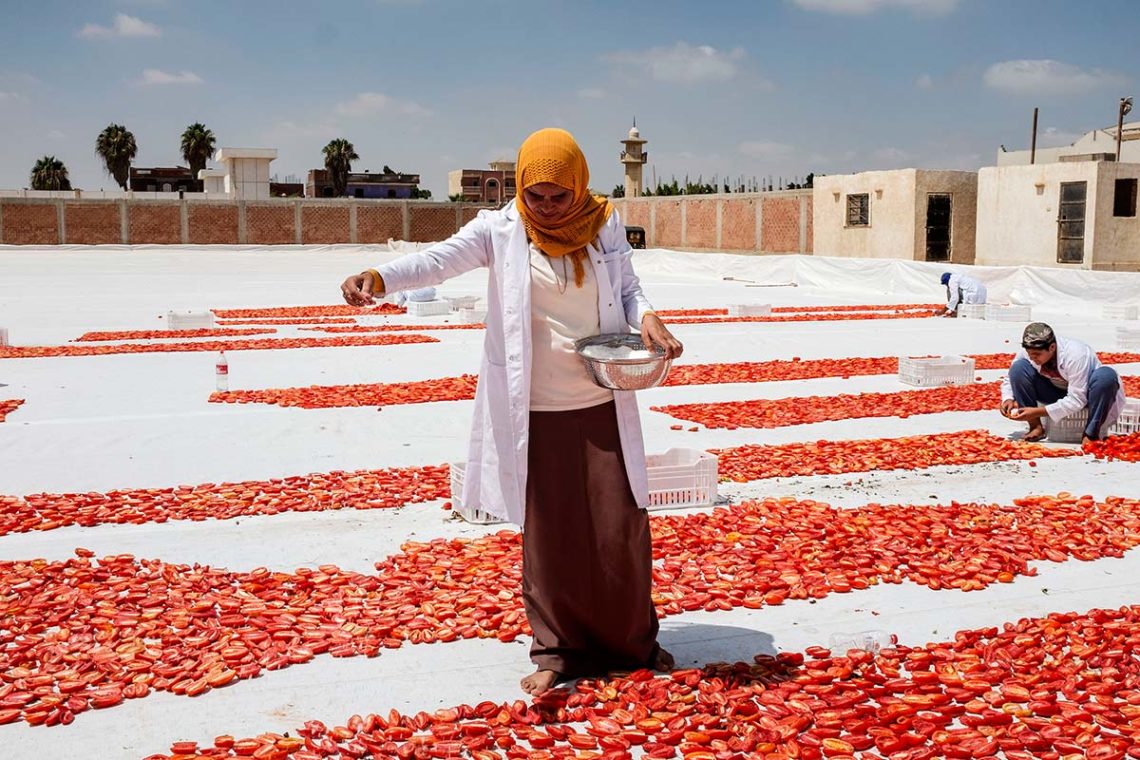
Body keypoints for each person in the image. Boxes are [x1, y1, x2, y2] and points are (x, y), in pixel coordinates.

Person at [340, 128, 683, 696]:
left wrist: (646, 316)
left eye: (559, 197)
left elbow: (628, 288)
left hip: (599, 396)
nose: (547, 208)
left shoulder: (605, 225)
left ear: (579, 186)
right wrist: (381, 277)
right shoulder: (499, 230)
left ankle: (632, 643)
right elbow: (438, 261)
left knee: (619, 525)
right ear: (520, 191)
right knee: (550, 534)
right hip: (535, 406)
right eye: (535, 197)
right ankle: (557, 649)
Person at [999, 322, 1124, 444]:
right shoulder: (1030, 352)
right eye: (1030, 354)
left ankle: (1091, 433)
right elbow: (1010, 377)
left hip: (1089, 395)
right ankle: (1035, 427)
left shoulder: (1077, 355)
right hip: (1055, 391)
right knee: (1018, 367)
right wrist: (1008, 398)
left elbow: (1077, 399)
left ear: (1052, 347)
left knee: (1106, 376)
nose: (1032, 358)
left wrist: (1037, 411)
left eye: (1037, 355)